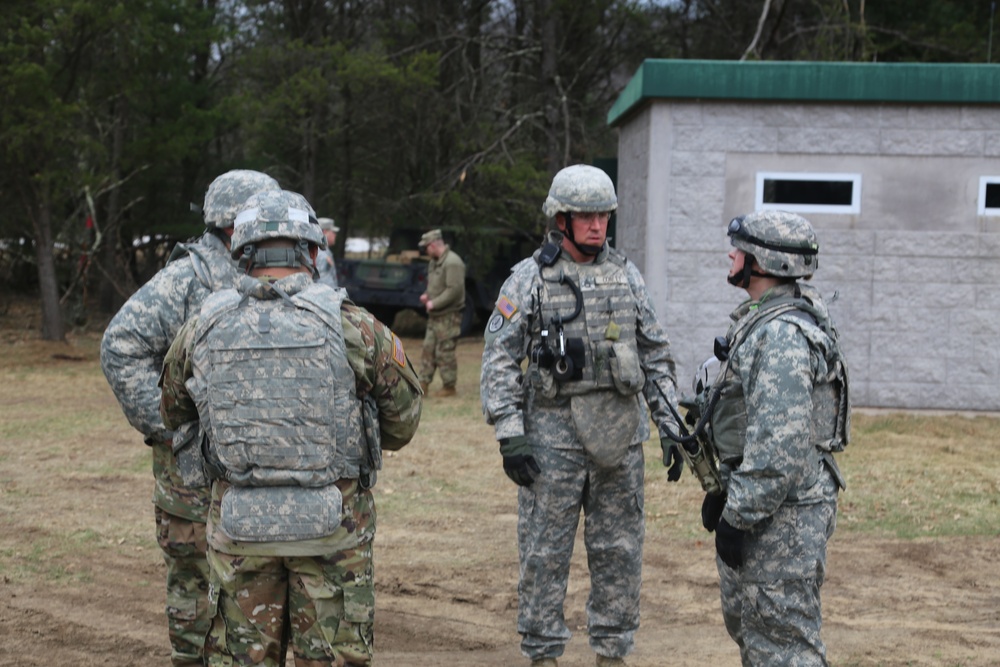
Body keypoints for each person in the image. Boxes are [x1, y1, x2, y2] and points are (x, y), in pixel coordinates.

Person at [159, 189, 422, 667]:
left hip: (239, 529)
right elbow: (403, 424)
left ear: (241, 254)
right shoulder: (357, 329)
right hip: (332, 534)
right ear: (314, 252)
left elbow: (174, 412)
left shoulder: (201, 327)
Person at [480, 164, 682, 667]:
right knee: (544, 555)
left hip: (620, 438)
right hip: (552, 440)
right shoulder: (529, 279)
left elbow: (656, 355)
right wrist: (511, 433)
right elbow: (499, 358)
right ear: (560, 220)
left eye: (604, 215)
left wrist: (671, 425)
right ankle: (543, 654)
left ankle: (612, 654)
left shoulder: (627, 276)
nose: (597, 225)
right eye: (585, 216)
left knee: (619, 552)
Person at [100, 169, 281, 667]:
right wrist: (172, 427)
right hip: (191, 480)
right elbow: (120, 347)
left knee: (252, 594)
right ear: (234, 226)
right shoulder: (186, 278)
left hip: (253, 475)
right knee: (195, 590)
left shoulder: (271, 275)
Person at [698, 210, 850, 666]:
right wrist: (723, 492)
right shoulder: (765, 321)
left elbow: (777, 448)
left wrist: (737, 515)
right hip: (769, 506)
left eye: (739, 248)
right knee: (758, 636)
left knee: (783, 648)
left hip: (782, 517)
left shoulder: (781, 335)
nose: (731, 253)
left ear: (763, 261)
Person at [417, 228, 466, 397]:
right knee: (427, 349)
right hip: (435, 316)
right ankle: (422, 384)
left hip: (449, 316)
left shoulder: (453, 262)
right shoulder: (434, 261)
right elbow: (436, 285)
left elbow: (454, 290)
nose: (425, 251)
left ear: (432, 245)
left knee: (445, 352)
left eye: (426, 247)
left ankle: (449, 387)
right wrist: (427, 296)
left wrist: (434, 303)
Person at [316, 216, 340, 287]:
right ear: (324, 232)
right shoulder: (322, 255)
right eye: (333, 232)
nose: (335, 235)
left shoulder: (322, 251)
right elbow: (323, 282)